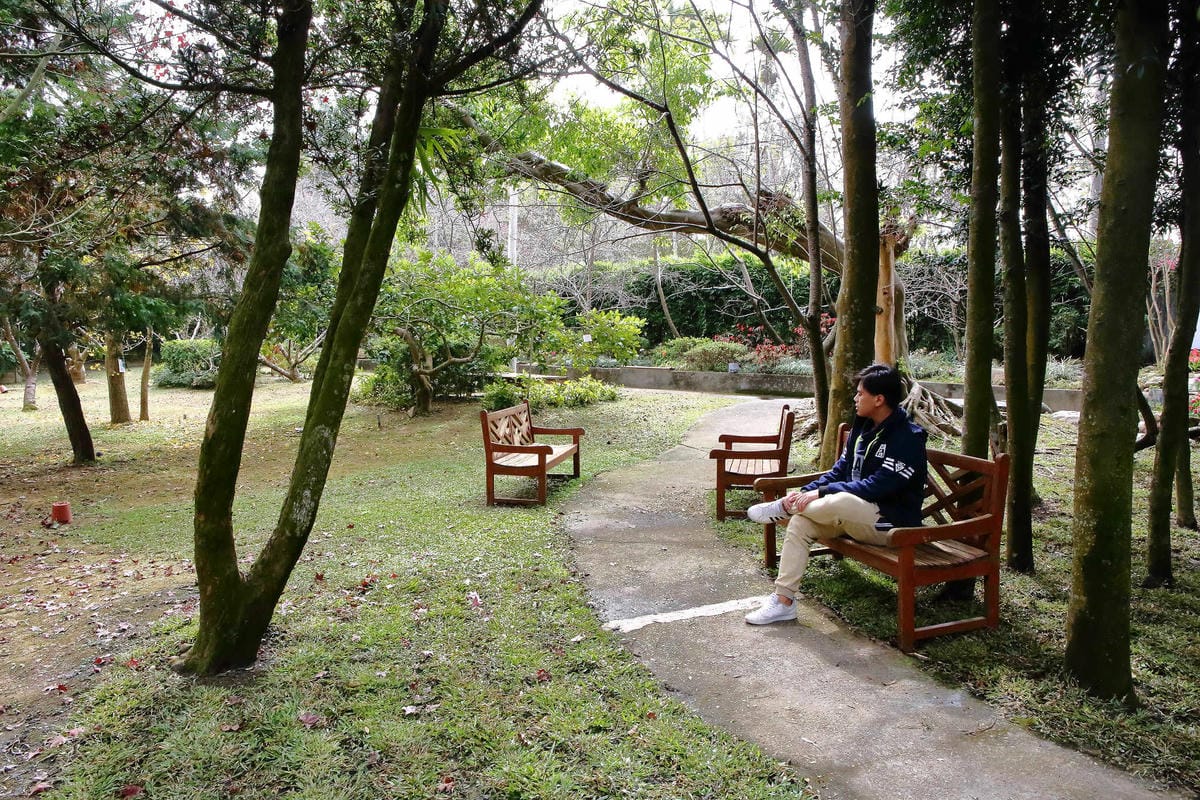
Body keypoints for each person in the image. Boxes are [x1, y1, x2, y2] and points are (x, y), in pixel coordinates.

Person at [744, 363, 927, 625]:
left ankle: (784, 507)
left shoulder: (907, 438)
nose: (855, 398)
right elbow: (839, 471)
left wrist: (823, 492)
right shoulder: (863, 428)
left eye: (860, 393)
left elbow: (877, 487)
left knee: (839, 500)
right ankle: (784, 601)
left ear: (879, 399)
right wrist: (809, 491)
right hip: (853, 517)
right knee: (801, 522)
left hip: (890, 525)